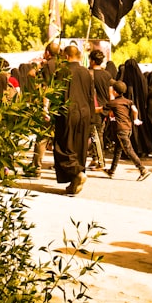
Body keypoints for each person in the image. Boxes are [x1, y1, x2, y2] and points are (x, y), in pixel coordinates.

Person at [54, 44, 94, 195]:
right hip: (84, 113)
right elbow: (91, 95)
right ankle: (74, 183)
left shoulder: (62, 71)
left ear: (66, 56)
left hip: (67, 112)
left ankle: (77, 173)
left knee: (63, 146)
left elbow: (56, 94)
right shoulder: (86, 72)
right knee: (79, 147)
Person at [104, 79, 150, 181]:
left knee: (129, 150)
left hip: (120, 129)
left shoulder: (114, 103)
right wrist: (135, 118)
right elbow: (135, 110)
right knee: (118, 149)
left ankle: (142, 169)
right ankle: (112, 170)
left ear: (115, 92)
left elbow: (101, 109)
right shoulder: (128, 101)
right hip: (128, 128)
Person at [29, 42, 60, 178]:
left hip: (50, 105)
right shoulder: (63, 65)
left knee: (42, 137)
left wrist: (44, 107)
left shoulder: (48, 66)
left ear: (48, 52)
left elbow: (46, 88)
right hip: (61, 105)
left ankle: (36, 167)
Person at [87, 49, 111, 170]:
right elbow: (110, 92)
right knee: (97, 134)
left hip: (94, 109)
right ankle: (95, 158)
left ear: (92, 60)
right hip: (104, 108)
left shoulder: (89, 74)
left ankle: (100, 161)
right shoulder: (107, 75)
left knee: (95, 135)